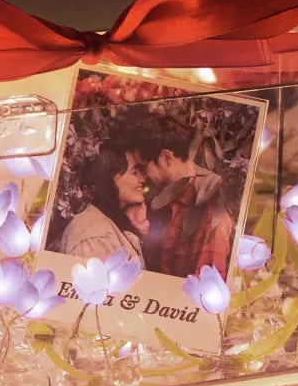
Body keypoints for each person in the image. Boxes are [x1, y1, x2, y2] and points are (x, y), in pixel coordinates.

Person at [131, 117, 233, 279]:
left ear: (166, 157)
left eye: (144, 167)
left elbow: (206, 286)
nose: (142, 177)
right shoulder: (165, 203)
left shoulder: (210, 212)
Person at [57, 140, 146, 266]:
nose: (142, 179)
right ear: (111, 178)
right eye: (134, 172)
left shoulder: (105, 224)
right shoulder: (95, 237)